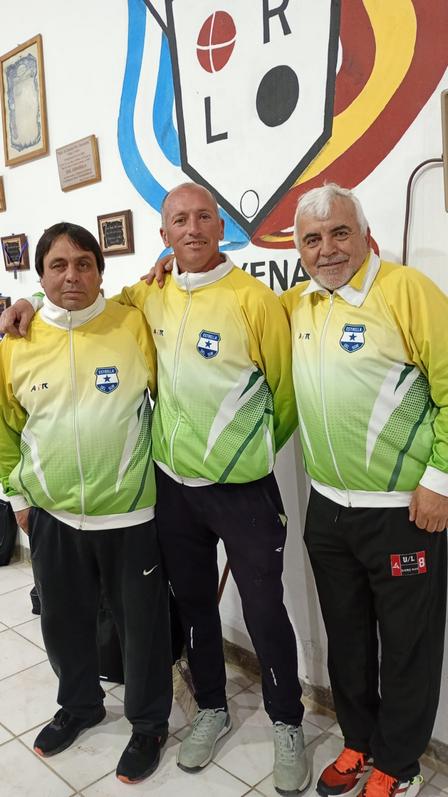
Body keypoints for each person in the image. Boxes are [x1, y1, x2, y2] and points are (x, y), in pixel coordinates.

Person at [0, 184, 309, 795]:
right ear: (164, 234)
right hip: (164, 493)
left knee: (262, 610)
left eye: (203, 217)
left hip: (225, 493)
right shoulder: (140, 300)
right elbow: (73, 307)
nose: (192, 229)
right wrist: (25, 303)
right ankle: (205, 708)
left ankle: (285, 722)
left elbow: (285, 394)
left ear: (221, 225)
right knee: (185, 608)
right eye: (179, 221)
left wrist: (243, 455)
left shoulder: (242, 300)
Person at [280, 184, 448, 797]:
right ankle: (359, 741)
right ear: (299, 250)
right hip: (327, 510)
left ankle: (399, 765)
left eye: (339, 233)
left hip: (404, 512)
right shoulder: (298, 305)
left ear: (365, 235)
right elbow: (225, 305)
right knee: (346, 638)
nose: (327, 249)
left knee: (407, 647)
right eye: (312, 239)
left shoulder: (407, 292)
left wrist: (439, 481)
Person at [0, 223, 172, 785]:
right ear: (41, 275)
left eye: (83, 264)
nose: (71, 276)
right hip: (52, 514)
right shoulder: (17, 343)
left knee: (142, 628)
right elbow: (5, 429)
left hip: (129, 511)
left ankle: (148, 724)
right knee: (62, 621)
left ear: (101, 271)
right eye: (58, 265)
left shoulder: (131, 324)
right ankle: (79, 706)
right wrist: (16, 497)